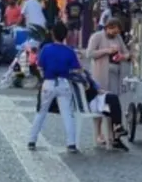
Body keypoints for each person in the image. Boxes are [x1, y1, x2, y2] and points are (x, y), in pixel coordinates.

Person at [28, 23, 81, 153]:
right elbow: (77, 69)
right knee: (67, 113)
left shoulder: (46, 49)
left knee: (41, 112)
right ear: (65, 35)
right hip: (64, 83)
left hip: (49, 82)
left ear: (52, 34)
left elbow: (40, 66)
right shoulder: (69, 51)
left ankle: (32, 140)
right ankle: (71, 143)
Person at [86, 18, 131, 94]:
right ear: (108, 28)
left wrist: (122, 56)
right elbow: (89, 54)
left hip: (115, 73)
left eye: (117, 32)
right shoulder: (97, 37)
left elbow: (126, 53)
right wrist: (106, 51)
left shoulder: (118, 37)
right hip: (101, 73)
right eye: (114, 32)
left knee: (114, 96)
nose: (115, 34)